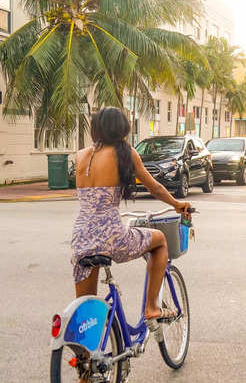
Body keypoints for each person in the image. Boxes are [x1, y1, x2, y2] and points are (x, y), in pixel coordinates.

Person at [72, 107, 191, 330]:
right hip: (112, 236)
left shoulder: (80, 156)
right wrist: (177, 204)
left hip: (81, 237)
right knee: (160, 241)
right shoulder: (123, 153)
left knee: (84, 309)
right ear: (121, 128)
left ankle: (85, 359)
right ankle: (152, 307)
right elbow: (154, 187)